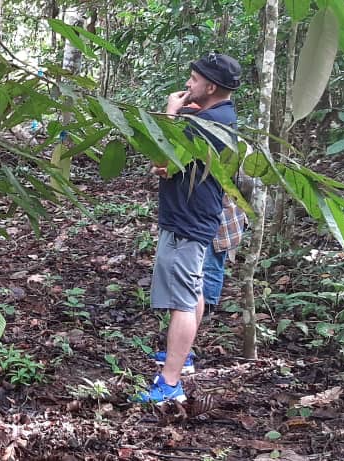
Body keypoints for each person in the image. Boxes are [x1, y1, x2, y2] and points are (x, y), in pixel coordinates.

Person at [133, 52, 241, 404]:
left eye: (193, 80)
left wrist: (169, 113)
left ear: (210, 86)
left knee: (181, 300)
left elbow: (162, 159)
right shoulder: (218, 116)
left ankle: (169, 384)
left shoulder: (203, 123)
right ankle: (183, 357)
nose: (187, 85)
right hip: (195, 217)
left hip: (187, 221)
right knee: (191, 290)